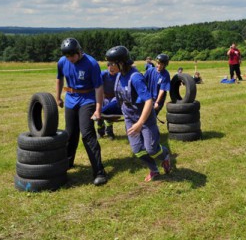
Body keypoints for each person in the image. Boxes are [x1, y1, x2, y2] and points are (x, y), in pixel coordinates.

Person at [105, 46, 171, 182]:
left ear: (121, 63)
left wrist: (140, 123)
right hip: (130, 116)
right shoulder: (118, 76)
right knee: (137, 149)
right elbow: (120, 99)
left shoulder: (135, 78)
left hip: (145, 118)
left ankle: (165, 155)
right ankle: (154, 169)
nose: (109, 67)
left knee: (152, 149)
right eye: (108, 63)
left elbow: (148, 101)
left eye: (112, 63)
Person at [56, 38, 107, 186]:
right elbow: (59, 78)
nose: (70, 59)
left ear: (79, 52)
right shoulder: (62, 62)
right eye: (67, 56)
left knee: (87, 134)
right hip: (71, 99)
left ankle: (99, 172)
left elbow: (98, 87)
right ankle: (68, 163)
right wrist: (58, 96)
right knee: (70, 133)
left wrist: (98, 109)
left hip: (88, 99)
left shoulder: (91, 63)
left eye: (72, 56)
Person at [96, 62, 121, 140]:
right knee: (100, 116)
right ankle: (100, 132)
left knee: (109, 116)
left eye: (114, 66)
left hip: (114, 97)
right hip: (104, 97)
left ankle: (110, 132)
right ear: (108, 66)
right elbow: (98, 86)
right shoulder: (103, 74)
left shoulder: (118, 75)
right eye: (111, 66)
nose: (112, 69)